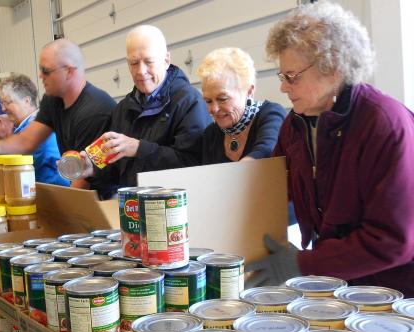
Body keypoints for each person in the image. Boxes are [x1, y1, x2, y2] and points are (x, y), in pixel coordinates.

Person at [246, 1, 414, 296]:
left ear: (333, 68)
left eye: (292, 77)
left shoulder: (385, 124)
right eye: (281, 76)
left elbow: (392, 240)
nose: (283, 88)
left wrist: (299, 263)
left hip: (395, 293)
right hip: (339, 283)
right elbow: (276, 192)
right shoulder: (294, 125)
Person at [83, 25, 211, 195]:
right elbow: (116, 172)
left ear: (166, 60)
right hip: (132, 210)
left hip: (173, 211)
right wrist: (92, 170)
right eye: (134, 63)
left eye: (149, 62)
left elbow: (193, 164)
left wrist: (139, 148)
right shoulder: (123, 109)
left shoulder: (189, 102)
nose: (141, 71)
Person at [0, 38, 116, 188]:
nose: (40, 76)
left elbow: (82, 177)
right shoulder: (53, 99)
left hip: (104, 197)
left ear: (69, 71)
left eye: (46, 71)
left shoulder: (93, 111)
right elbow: (26, 141)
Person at [196, 47, 285, 164]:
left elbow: (267, 151)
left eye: (223, 99)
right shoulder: (211, 134)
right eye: (208, 101)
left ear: (249, 91)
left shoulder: (271, 114)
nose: (214, 109)